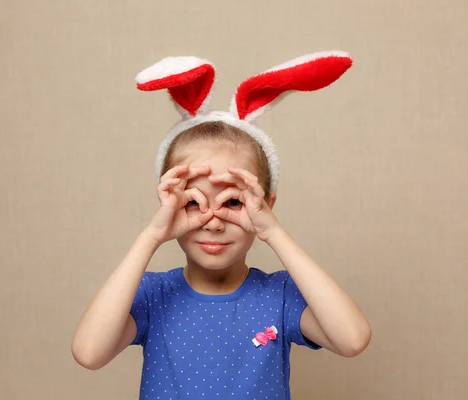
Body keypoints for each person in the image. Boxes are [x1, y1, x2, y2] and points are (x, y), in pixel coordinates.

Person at [72, 51, 371, 399]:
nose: (213, 222)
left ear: (265, 207)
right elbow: (88, 353)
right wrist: (152, 236)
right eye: (193, 202)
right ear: (169, 206)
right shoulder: (153, 295)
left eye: (233, 202)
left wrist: (273, 231)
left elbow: (352, 339)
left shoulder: (280, 296)